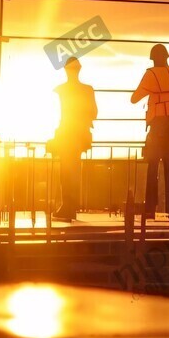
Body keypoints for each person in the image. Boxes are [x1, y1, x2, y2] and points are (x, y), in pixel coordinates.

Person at [131, 43, 169, 232]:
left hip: (158, 127)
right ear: (167, 58)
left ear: (154, 59)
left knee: (152, 168)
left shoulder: (152, 74)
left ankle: (149, 209)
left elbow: (134, 98)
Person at [50, 57, 98, 222]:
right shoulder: (87, 90)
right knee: (73, 171)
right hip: (79, 134)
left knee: (66, 171)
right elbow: (94, 112)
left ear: (66, 70)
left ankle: (67, 207)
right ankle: (70, 207)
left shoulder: (61, 90)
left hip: (66, 134)